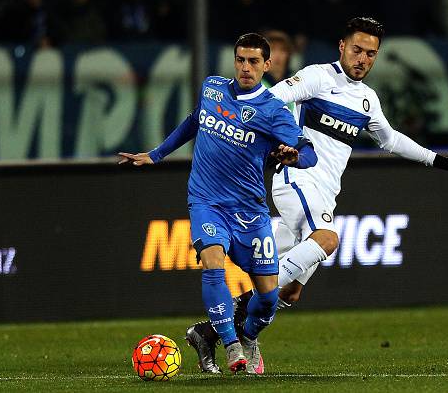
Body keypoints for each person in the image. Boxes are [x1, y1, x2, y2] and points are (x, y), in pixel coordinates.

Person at [188, 16, 448, 374]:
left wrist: (439, 160)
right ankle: (231, 333)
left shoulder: (367, 101)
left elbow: (389, 140)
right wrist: (278, 140)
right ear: (342, 47)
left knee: (290, 292)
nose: (362, 59)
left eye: (371, 54)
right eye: (357, 49)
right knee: (326, 239)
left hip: (324, 195)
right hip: (296, 180)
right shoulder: (316, 77)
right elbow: (274, 96)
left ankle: (211, 332)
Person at [118, 32, 317, 374]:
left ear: (266, 65)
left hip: (250, 211)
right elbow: (194, 121)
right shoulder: (212, 87)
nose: (246, 67)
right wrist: (156, 154)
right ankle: (231, 345)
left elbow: (309, 154)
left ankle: (250, 337)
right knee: (212, 262)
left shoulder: (273, 110)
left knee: (269, 295)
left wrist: (294, 155)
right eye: (240, 59)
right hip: (206, 201)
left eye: (254, 61)